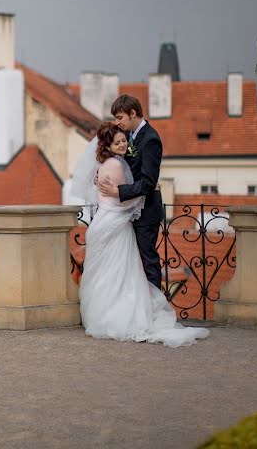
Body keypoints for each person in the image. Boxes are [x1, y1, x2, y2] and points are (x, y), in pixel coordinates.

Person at [72, 122, 208, 347]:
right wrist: (146, 193)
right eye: (118, 142)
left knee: (106, 274)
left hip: (101, 224)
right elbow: (123, 200)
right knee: (121, 272)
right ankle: (123, 317)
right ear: (108, 145)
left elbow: (105, 197)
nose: (123, 144)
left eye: (124, 140)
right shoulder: (116, 165)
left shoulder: (102, 165)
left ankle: (102, 316)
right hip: (115, 223)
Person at [97, 95, 164, 289]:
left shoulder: (151, 139)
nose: (117, 123)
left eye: (120, 117)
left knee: (148, 260)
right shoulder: (128, 136)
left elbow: (148, 183)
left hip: (146, 213)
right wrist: (103, 174)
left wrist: (118, 191)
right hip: (129, 211)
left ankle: (154, 306)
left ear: (132, 113)